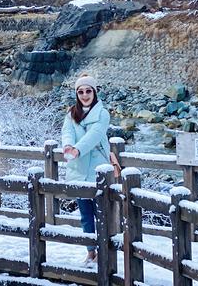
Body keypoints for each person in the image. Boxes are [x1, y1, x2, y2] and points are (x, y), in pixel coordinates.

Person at [61, 74, 121, 265]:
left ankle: (104, 251)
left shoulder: (102, 113)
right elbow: (67, 131)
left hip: (97, 168)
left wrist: (78, 149)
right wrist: (68, 146)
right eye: (81, 92)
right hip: (79, 168)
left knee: (101, 213)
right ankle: (90, 251)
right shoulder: (72, 113)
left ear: (94, 92)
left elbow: (95, 135)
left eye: (88, 91)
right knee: (85, 214)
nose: (85, 95)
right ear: (76, 94)